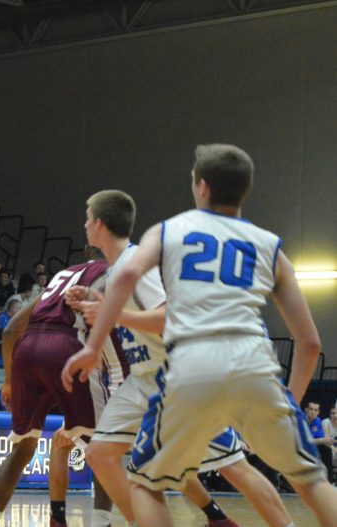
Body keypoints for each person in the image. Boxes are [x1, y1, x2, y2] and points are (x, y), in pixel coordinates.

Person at [62, 155, 326, 527]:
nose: (84, 225)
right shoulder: (116, 269)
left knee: (234, 468)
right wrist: (95, 305)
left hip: (175, 377)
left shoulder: (136, 261)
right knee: (101, 454)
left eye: (88, 219)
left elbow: (170, 315)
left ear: (100, 225)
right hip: (140, 378)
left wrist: (113, 314)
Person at [0, 254, 118, 527]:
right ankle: (101, 522)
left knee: (22, 449)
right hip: (65, 347)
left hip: (26, 350)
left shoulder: (61, 276)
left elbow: (9, 331)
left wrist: (8, 381)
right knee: (102, 448)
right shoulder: (110, 272)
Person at [305, 401, 334, 480]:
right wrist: (323, 440)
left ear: (318, 412)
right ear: (306, 410)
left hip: (312, 447)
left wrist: (328, 442)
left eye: (315, 410)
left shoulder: (317, 421)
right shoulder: (300, 421)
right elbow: (306, 441)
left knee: (326, 449)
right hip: (300, 447)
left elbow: (320, 438)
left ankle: (329, 480)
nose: (313, 412)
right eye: (311, 409)